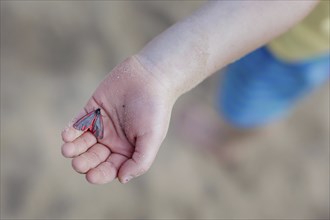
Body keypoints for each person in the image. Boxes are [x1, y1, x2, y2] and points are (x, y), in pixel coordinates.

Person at [61, 1, 329, 184]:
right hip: (280, 28)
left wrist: (159, 72)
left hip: (293, 52)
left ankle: (227, 142)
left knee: (250, 106)